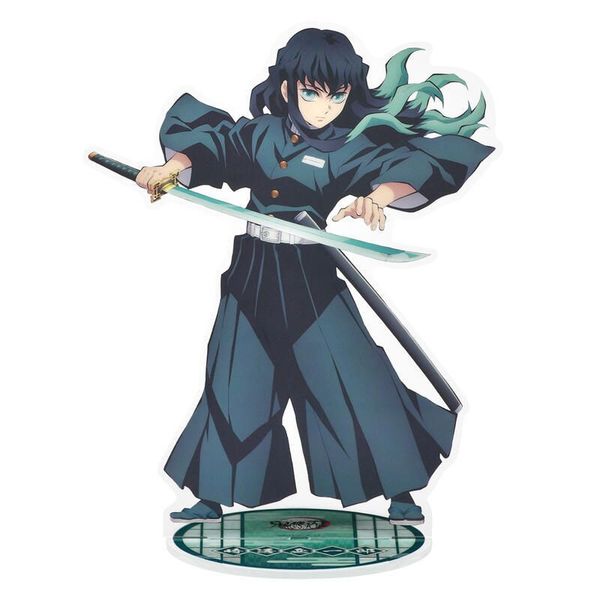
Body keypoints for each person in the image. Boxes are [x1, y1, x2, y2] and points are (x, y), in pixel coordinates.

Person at [136, 28, 494, 525]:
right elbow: (214, 144)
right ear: (288, 89)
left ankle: (400, 489)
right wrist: (171, 167)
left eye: (336, 96)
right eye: (311, 93)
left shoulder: (349, 146)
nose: (323, 108)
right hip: (252, 273)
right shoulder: (260, 135)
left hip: (312, 276)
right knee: (235, 378)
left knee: (352, 376)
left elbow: (404, 163)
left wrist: (378, 197)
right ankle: (213, 494)